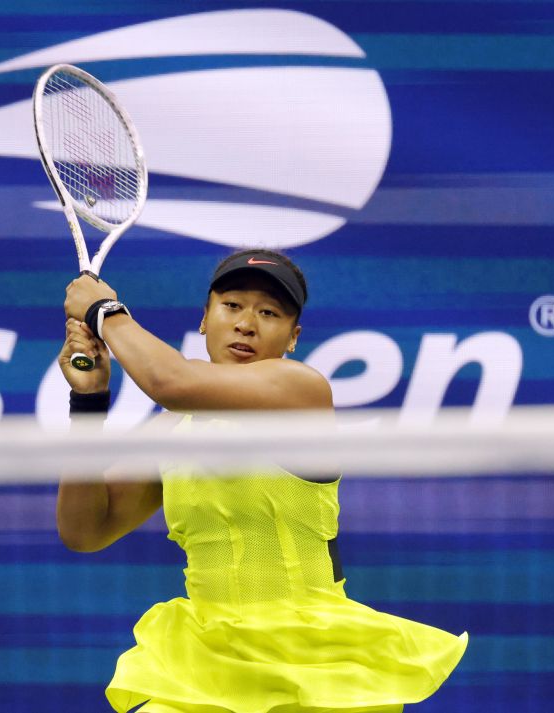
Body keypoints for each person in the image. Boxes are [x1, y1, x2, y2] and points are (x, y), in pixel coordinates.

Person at [58, 249, 468, 713]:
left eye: (268, 313)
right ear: (204, 319)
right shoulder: (171, 431)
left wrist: (104, 309)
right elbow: (85, 531)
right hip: (206, 666)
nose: (246, 323)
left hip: (314, 666)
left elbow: (168, 381)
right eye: (231, 305)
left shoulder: (300, 391)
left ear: (292, 338)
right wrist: (87, 403)